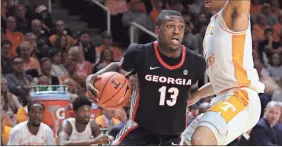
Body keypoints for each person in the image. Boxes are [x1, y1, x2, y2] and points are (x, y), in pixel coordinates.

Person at [86, 10, 206, 145]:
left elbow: (211, 85)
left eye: (181, 27)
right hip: (138, 130)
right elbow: (118, 69)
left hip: (173, 135)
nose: (176, 31)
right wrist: (94, 76)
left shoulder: (196, 62)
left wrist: (198, 95)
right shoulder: (139, 53)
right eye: (170, 26)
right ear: (157, 30)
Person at [181, 0, 265, 145]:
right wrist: (196, 95)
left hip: (242, 96)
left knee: (200, 139)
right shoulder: (211, 28)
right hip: (222, 97)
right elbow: (222, 81)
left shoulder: (232, 14)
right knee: (184, 142)